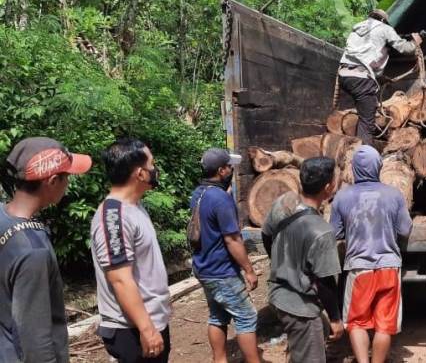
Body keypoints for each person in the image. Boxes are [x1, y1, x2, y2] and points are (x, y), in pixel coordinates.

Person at [0, 137, 91, 363]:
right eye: (66, 177)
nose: (68, 183)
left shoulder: (2, 216)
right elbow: (35, 340)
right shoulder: (33, 251)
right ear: (51, 181)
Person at [90, 138, 171, 363]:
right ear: (140, 174)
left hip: (149, 322)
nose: (155, 170)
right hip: (132, 329)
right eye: (152, 165)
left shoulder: (134, 206)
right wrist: (146, 330)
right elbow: (120, 280)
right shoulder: (113, 218)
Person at [330, 145, 413, 363]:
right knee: (384, 325)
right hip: (389, 268)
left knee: (356, 323)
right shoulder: (394, 195)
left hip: (359, 269)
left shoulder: (342, 196)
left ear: (355, 169)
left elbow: (334, 232)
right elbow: (405, 229)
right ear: (378, 168)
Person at [262, 157, 344, 362]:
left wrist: (281, 262)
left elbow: (266, 234)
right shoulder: (322, 232)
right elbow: (326, 283)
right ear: (328, 187)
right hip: (300, 306)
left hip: (277, 294)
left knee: (311, 340)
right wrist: (335, 318)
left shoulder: (284, 201)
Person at [190, 148, 260, 363]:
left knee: (217, 315)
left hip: (205, 267)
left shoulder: (199, 193)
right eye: (229, 166)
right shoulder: (220, 199)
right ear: (221, 170)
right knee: (247, 316)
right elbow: (232, 239)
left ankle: (219, 360)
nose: (231, 169)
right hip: (222, 271)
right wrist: (249, 270)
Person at [338, 9, 422, 145]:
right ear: (383, 20)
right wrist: (414, 43)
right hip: (361, 79)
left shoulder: (357, 29)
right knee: (367, 124)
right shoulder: (384, 28)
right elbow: (404, 48)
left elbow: (363, 56)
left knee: (364, 114)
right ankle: (364, 160)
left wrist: (380, 78)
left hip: (345, 76)